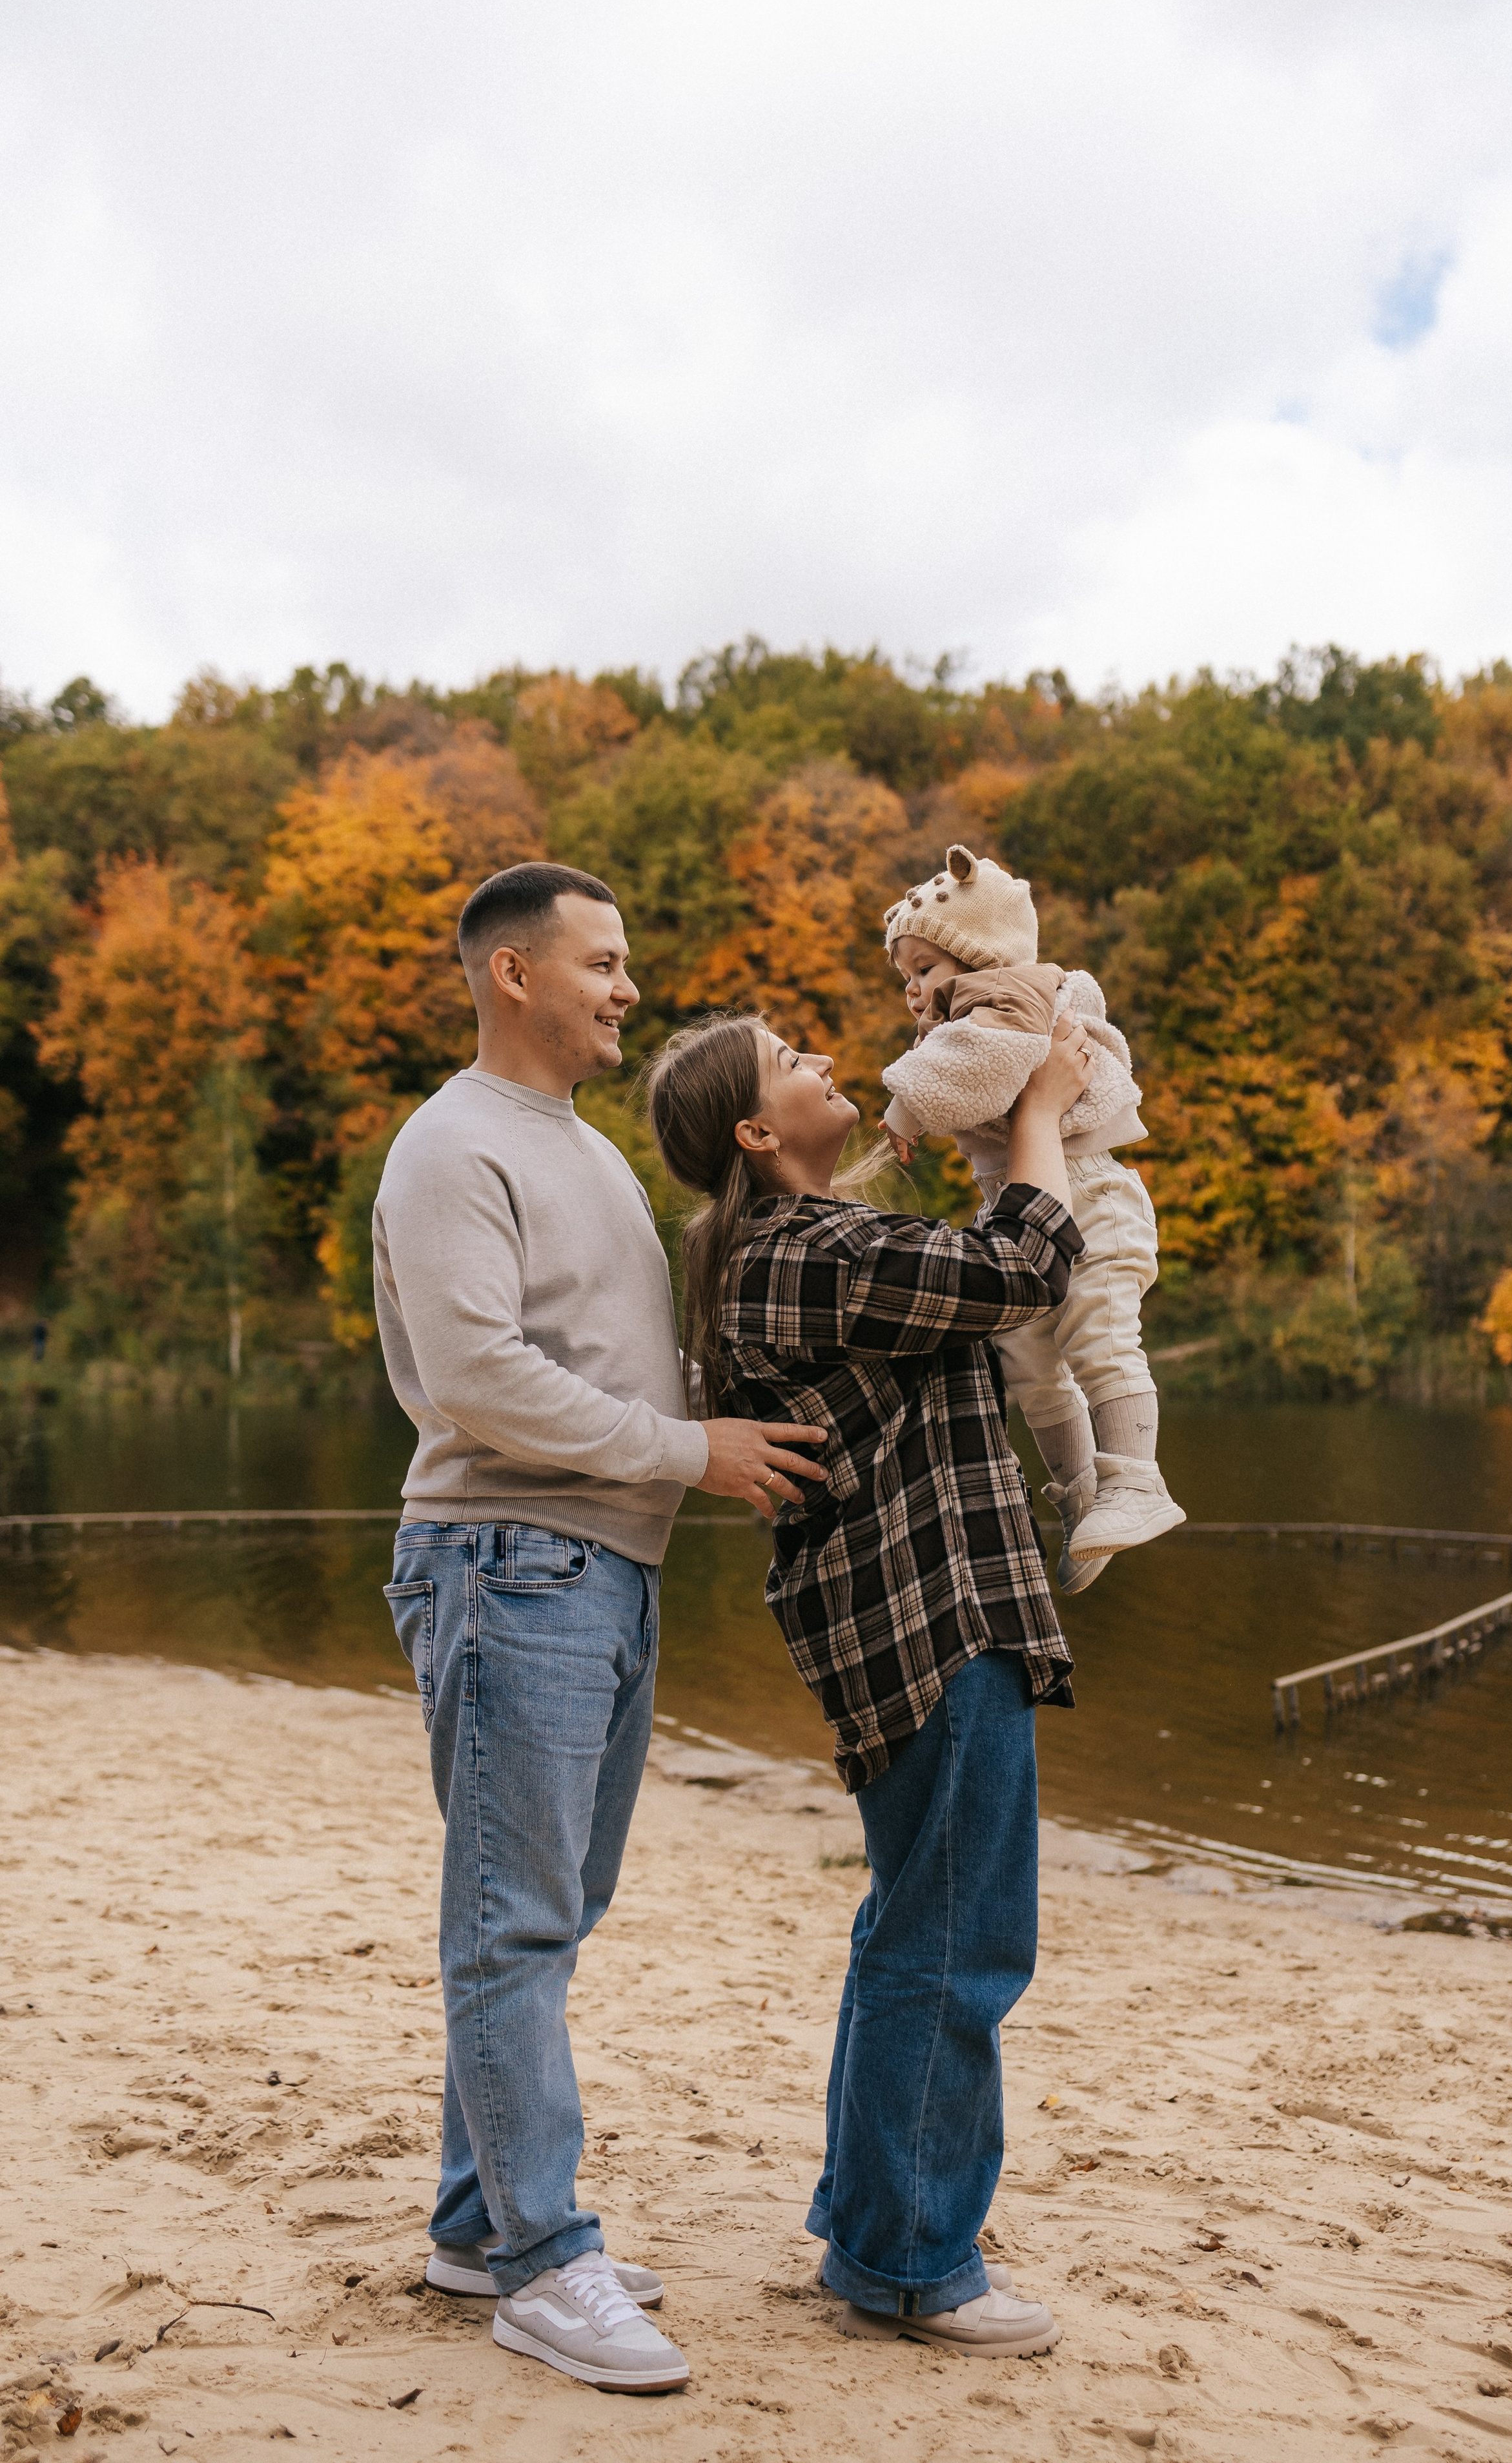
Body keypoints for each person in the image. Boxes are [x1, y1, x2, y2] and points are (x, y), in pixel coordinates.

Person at [371, 861, 828, 2395]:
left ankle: (471, 2223)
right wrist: (689, 1448)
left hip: (597, 1569)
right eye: (604, 961)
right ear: (514, 974)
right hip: (508, 1562)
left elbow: (626, 1363)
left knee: (545, 1907)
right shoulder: (452, 1145)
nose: (629, 987)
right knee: (512, 1919)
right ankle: (545, 2259)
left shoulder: (583, 1154)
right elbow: (483, 1376)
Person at [646, 1007, 1091, 2356]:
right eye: (791, 1063)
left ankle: (872, 2230)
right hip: (932, 1619)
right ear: (755, 1132)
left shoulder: (800, 1246)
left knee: (915, 1923)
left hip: (905, 1624)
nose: (820, 1063)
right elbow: (1028, 1265)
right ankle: (909, 2264)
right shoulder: (810, 1251)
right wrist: (1038, 1109)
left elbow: (973, 1269)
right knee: (955, 1940)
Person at [880, 846, 1183, 1594]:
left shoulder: (1008, 997)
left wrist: (907, 1102)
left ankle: (1136, 1480)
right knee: (1025, 1358)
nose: (913, 991)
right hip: (1023, 1211)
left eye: (925, 971)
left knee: (1102, 1336)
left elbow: (983, 1068)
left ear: (975, 951)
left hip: (1091, 1197)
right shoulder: (972, 1012)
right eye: (905, 978)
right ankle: (1082, 1489)